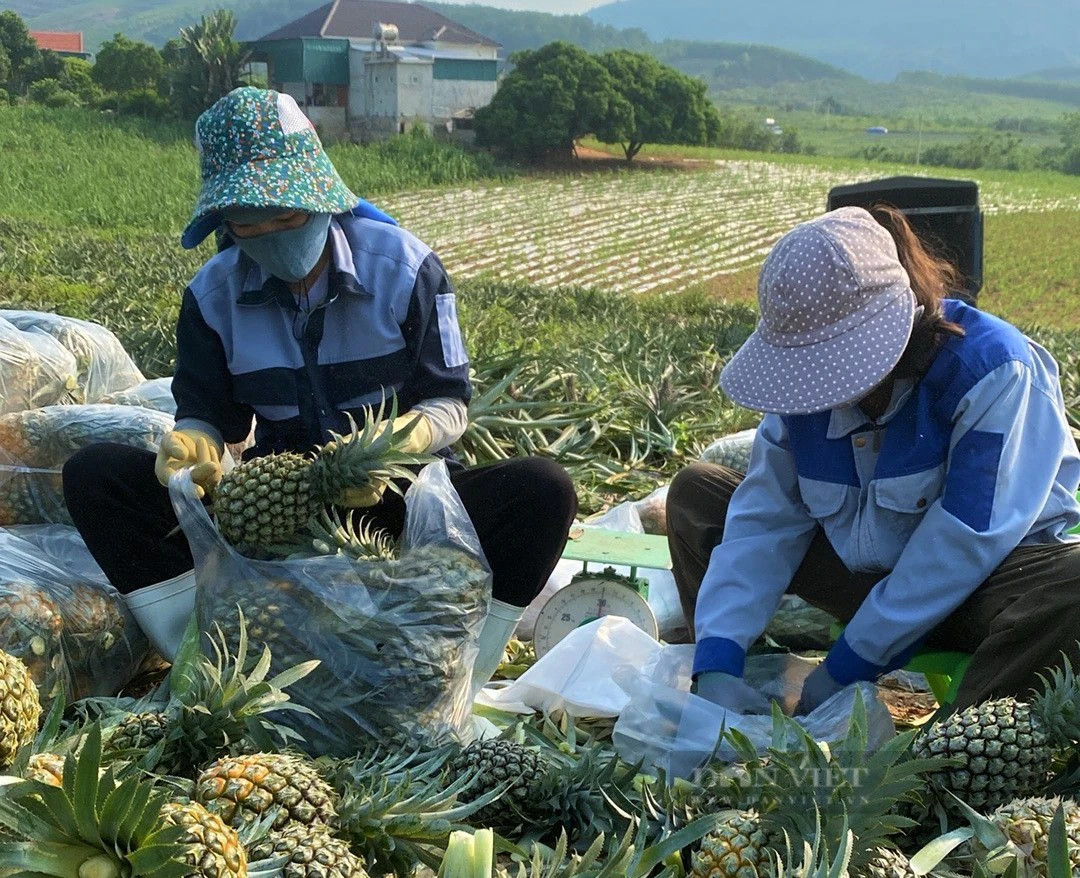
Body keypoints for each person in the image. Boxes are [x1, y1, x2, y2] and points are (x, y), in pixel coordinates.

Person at [61, 87, 577, 697]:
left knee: (543, 491)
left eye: (288, 217)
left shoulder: (406, 269)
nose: (273, 236)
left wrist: (400, 438)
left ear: (322, 198)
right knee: (97, 476)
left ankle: (448, 681)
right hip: (276, 507)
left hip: (403, 498)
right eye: (250, 226)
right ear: (226, 225)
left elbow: (449, 403)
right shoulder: (211, 296)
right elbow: (209, 414)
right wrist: (194, 441)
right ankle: (215, 671)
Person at [667, 204, 1080, 717]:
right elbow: (765, 519)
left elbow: (965, 541)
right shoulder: (803, 397)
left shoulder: (992, 372)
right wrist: (718, 658)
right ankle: (731, 696)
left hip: (986, 587)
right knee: (698, 494)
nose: (818, 383)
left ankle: (951, 752)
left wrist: (846, 665)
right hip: (863, 572)